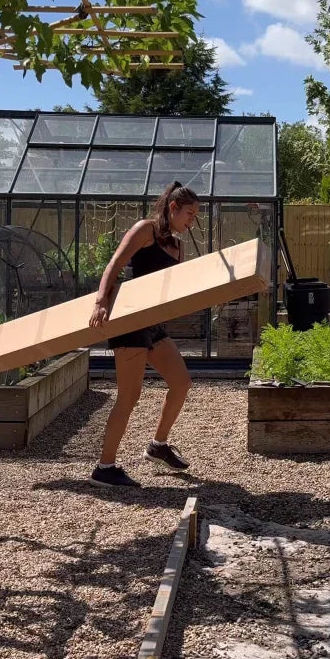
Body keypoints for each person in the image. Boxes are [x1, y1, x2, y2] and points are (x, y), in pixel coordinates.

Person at [88, 181, 201, 488]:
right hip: (128, 319)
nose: (192, 221)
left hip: (152, 324)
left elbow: (172, 289)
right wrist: (101, 302)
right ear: (173, 208)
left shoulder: (178, 248)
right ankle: (104, 467)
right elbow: (114, 264)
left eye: (196, 216)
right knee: (129, 395)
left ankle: (158, 446)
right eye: (189, 214)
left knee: (181, 383)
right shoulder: (145, 230)